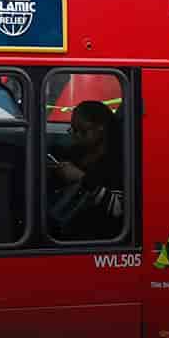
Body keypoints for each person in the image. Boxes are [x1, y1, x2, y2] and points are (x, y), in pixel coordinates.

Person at [48, 100, 124, 241]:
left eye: (82, 130)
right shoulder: (76, 153)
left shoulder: (117, 161)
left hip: (98, 237)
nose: (76, 135)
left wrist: (81, 178)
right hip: (65, 226)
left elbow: (118, 208)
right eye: (73, 130)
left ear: (100, 128)